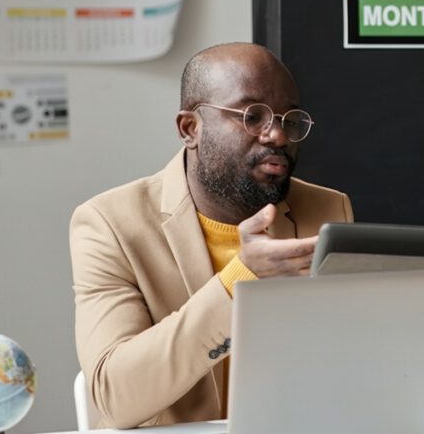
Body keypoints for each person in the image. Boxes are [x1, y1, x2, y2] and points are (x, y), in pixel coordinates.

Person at [70, 43, 353, 428]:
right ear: (191, 129)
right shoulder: (109, 223)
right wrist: (240, 281)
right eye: (253, 116)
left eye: (290, 120)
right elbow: (116, 396)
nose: (278, 136)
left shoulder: (327, 210)